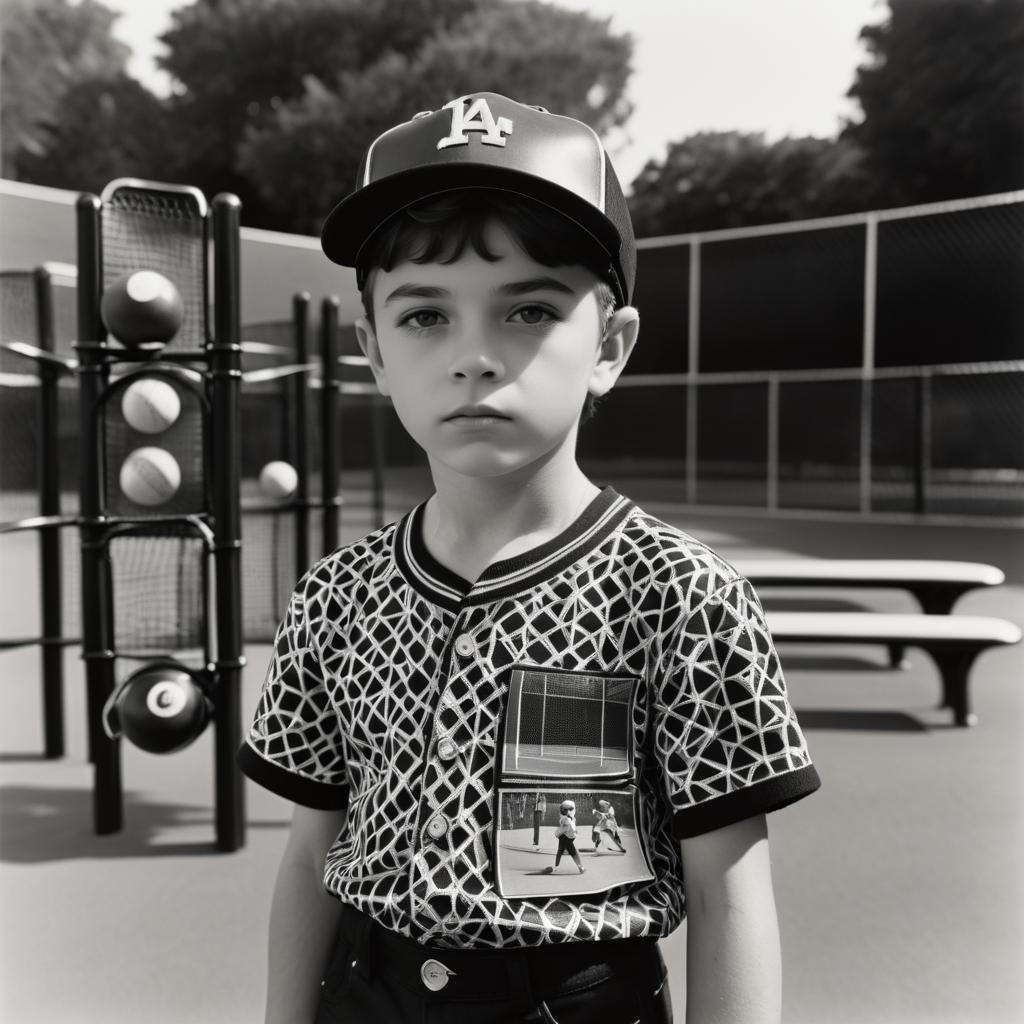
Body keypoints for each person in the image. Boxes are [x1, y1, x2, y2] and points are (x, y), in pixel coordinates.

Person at [238, 92, 821, 1024]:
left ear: (611, 346)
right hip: (367, 994)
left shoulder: (680, 595)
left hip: (579, 1002)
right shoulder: (335, 597)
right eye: (425, 316)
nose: (474, 355)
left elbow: (729, 894)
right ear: (374, 352)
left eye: (530, 310)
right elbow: (312, 854)